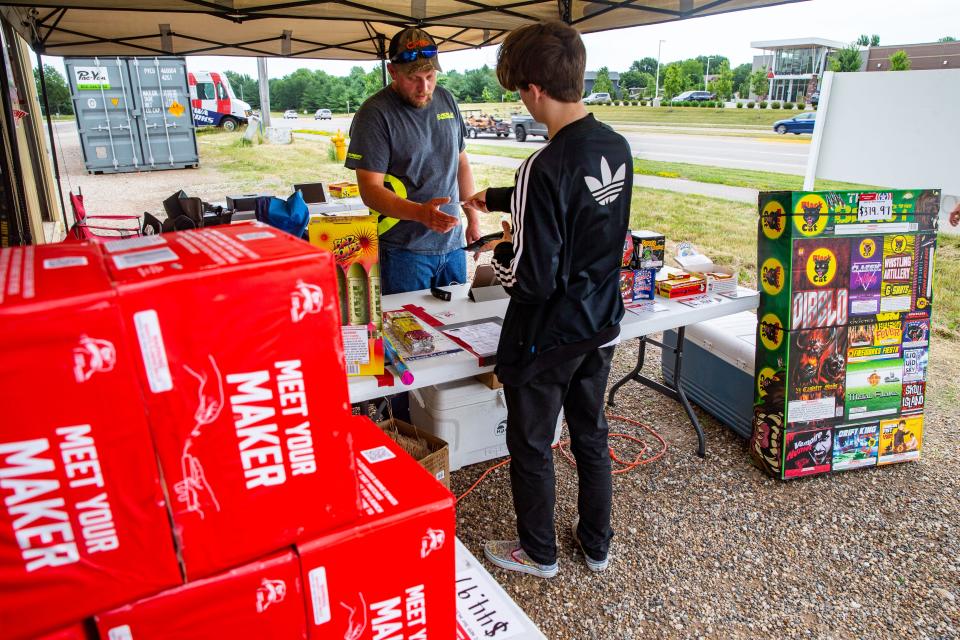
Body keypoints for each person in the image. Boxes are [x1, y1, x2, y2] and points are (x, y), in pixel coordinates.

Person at [463, 21, 633, 578]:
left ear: (534, 89)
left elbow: (532, 280)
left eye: (518, 90)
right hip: (599, 320)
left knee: (532, 445)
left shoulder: (542, 162)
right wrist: (491, 196)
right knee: (591, 432)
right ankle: (596, 543)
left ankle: (539, 553)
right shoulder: (616, 145)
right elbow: (577, 199)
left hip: (548, 333)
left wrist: (499, 260)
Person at [345, 27, 482, 296]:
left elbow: (461, 163)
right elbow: (370, 190)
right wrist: (420, 213)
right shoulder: (374, 114)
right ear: (393, 72)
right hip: (403, 253)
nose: (425, 87)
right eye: (414, 78)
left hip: (453, 247)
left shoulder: (446, 99)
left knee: (454, 331)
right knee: (406, 334)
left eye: (430, 76)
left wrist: (473, 220)